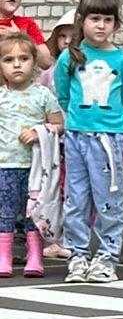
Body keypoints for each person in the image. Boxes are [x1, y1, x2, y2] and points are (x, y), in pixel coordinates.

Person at [55, 0, 123, 285]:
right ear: (81, 21)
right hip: (77, 137)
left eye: (107, 19)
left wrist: (109, 122)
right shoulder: (69, 57)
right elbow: (63, 95)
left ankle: (106, 256)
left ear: (116, 23)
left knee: (109, 198)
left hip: (109, 138)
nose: (101, 26)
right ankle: (78, 255)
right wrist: (77, 119)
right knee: (76, 198)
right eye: (94, 19)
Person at [0, 32, 61, 277]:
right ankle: (3, 256)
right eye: (8, 59)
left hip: (35, 167)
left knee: (33, 212)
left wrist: (39, 132)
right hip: (4, 165)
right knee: (4, 212)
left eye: (23, 58)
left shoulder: (43, 95)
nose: (16, 64)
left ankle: (35, 256)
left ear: (34, 62)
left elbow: (58, 124)